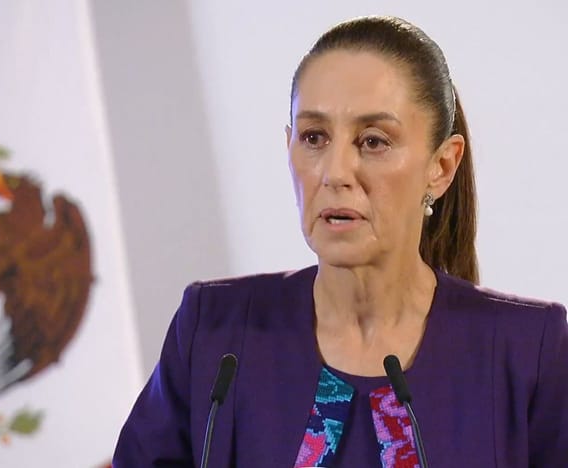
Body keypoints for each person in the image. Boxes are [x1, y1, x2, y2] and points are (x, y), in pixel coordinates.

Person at [112, 16, 568, 467]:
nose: (334, 173)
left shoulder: (528, 350)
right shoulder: (214, 333)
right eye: (314, 137)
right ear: (288, 146)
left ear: (442, 166)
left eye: (373, 141)